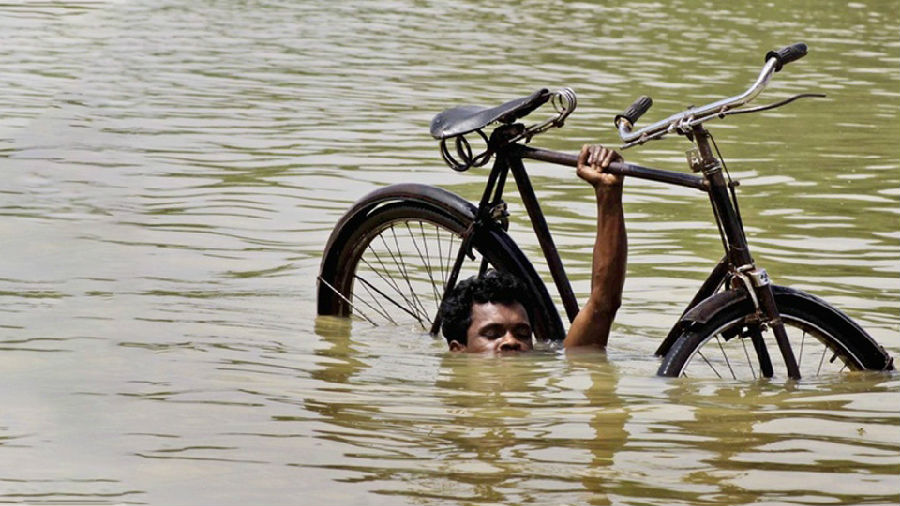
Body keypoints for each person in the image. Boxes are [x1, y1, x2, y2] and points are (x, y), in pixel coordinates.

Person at [440, 144, 627, 353]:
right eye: (492, 334)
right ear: (458, 350)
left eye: (522, 333)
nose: (510, 341)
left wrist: (608, 191)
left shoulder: (553, 370)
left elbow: (603, 305)